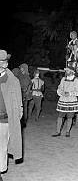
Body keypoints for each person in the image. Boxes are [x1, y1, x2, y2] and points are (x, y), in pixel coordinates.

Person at [0, 50, 23, 181]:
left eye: (2, 62)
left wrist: (17, 115)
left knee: (1, 147)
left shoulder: (12, 80)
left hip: (4, 120)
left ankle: (0, 171)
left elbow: (19, 102)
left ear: (6, 64)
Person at [52, 67, 78, 137]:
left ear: (72, 71)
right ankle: (58, 132)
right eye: (66, 70)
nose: (66, 71)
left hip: (71, 101)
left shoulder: (76, 80)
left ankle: (67, 132)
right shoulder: (63, 79)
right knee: (60, 116)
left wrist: (70, 93)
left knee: (70, 117)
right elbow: (59, 88)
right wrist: (61, 92)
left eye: (67, 70)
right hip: (63, 100)